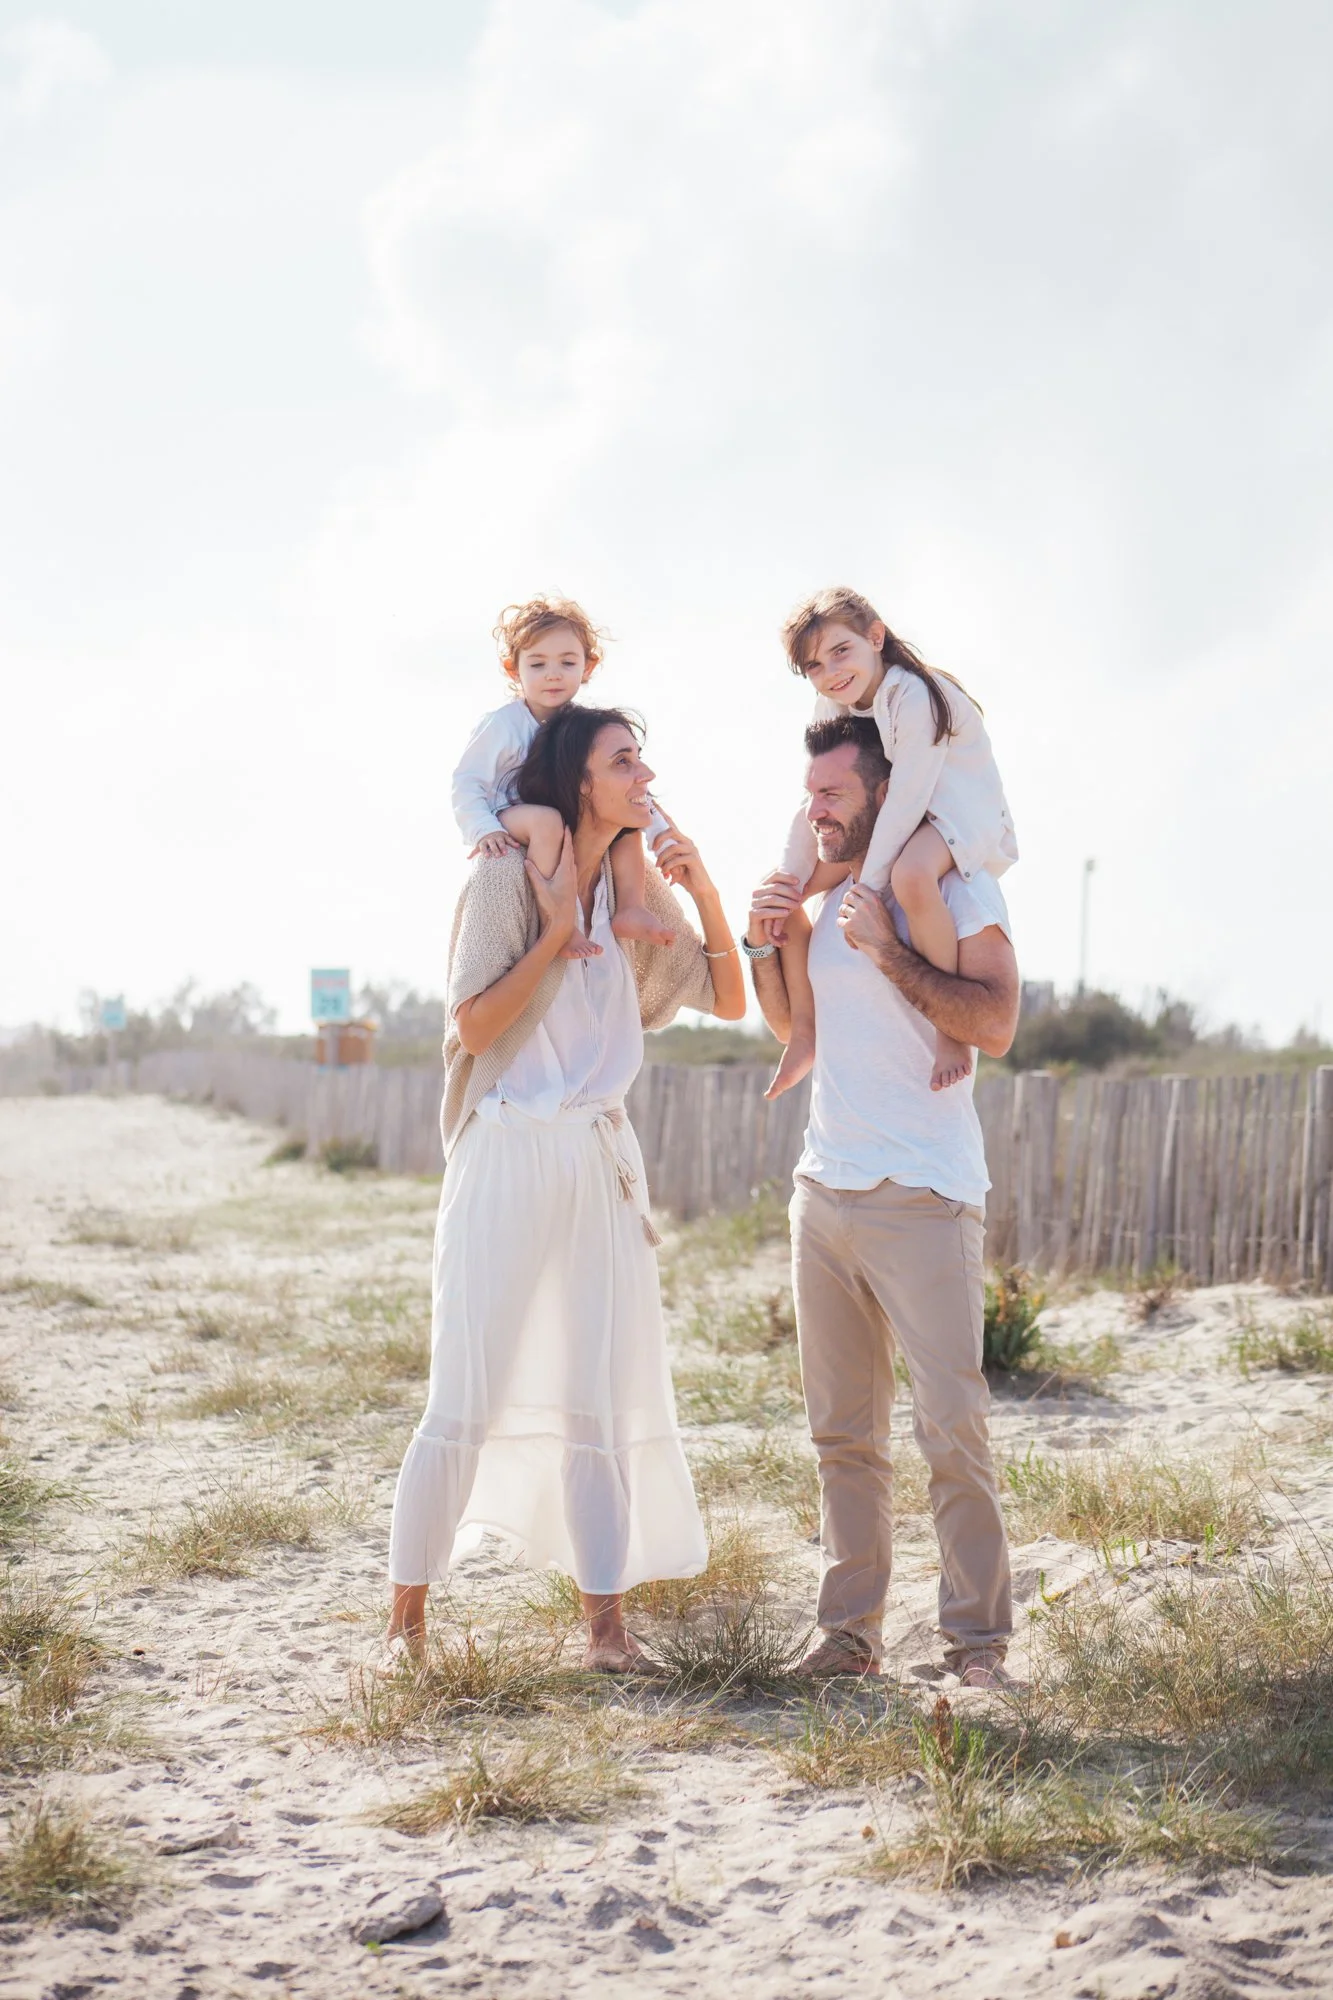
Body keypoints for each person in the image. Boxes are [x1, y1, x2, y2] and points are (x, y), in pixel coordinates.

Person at [387, 705, 746, 1673]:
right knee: (463, 1385)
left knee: (599, 1389)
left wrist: (700, 884)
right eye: (624, 759)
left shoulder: (630, 897)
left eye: (643, 758)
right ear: (577, 780)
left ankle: (605, 1632)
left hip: (595, 1154)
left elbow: (727, 991)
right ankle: (404, 1628)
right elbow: (469, 1023)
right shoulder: (507, 873)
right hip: (505, 1144)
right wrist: (551, 933)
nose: (645, 773)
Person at [744, 713, 1019, 1689]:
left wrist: (888, 949)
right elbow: (791, 1023)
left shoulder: (953, 884)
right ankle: (848, 1636)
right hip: (823, 1190)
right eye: (809, 791)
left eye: (831, 794)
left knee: (950, 1428)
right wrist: (762, 934)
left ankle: (977, 1644)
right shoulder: (828, 899)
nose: (812, 809)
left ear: (880, 793)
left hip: (926, 1194)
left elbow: (992, 1020)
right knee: (841, 1438)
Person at [764, 586, 1017, 1099]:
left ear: (875, 637)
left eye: (841, 651)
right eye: (814, 666)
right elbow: (818, 789)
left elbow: (906, 798)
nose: (831, 672)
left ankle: (951, 1037)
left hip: (956, 811)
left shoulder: (912, 696)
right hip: (905, 810)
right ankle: (804, 1034)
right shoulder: (833, 702)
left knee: (912, 876)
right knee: (794, 892)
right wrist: (789, 879)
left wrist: (870, 890)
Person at [450, 593, 675, 956]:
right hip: (514, 815)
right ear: (514, 670)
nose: (553, 674)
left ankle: (632, 907)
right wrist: (483, 828)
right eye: (537, 665)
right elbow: (467, 781)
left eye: (567, 662)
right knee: (547, 821)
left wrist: (661, 834)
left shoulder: (583, 729)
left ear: (587, 667)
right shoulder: (503, 724)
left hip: (564, 816)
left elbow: (626, 789)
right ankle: (558, 924)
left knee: (623, 826)